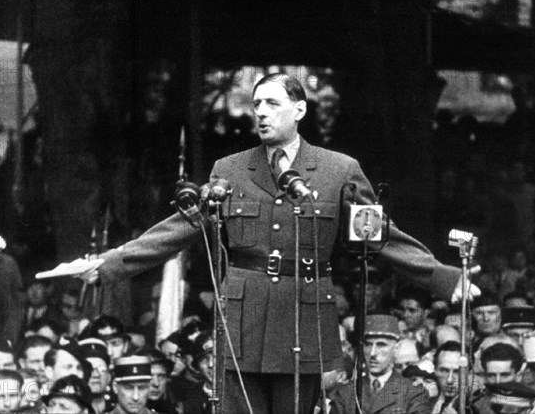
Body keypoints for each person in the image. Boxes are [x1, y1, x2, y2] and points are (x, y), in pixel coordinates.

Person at [72, 73, 478, 414]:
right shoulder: (229, 168)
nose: (261, 113)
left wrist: (443, 277)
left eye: (272, 103)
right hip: (242, 319)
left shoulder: (339, 170)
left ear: (299, 110)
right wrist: (109, 263)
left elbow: (377, 236)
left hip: (304, 315)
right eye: (256, 105)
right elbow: (183, 226)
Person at [329, 314, 431, 414]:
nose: (373, 353)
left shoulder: (413, 393)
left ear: (396, 349)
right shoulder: (346, 393)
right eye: (368, 345)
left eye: (381, 345)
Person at [472, 343, 525, 414]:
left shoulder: (531, 403)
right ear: (484, 376)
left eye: (504, 375)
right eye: (491, 375)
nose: (498, 381)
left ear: (518, 376)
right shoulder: (474, 405)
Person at [79, 338, 115, 414]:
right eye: (90, 369)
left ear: (109, 377)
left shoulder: (118, 408)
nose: (96, 375)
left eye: (102, 369)